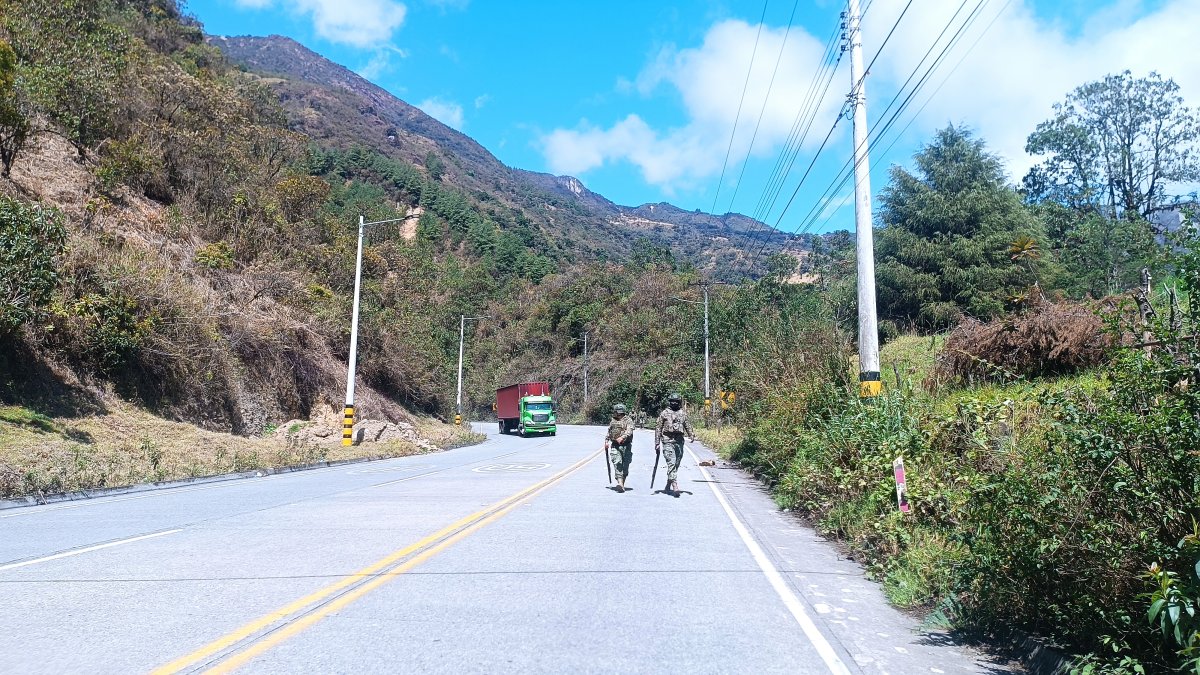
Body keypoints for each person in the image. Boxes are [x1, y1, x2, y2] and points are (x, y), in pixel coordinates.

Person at [655, 392, 694, 495]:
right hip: (667, 440)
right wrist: (657, 442)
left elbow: (687, 425)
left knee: (677, 463)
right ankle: (675, 485)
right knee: (671, 462)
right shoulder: (664, 413)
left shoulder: (682, 413)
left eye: (676, 401)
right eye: (672, 401)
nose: (674, 403)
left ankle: (668, 483)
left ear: (679, 402)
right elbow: (658, 427)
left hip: (679, 440)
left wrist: (691, 435)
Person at [605, 403, 635, 492]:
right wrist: (606, 441)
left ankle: (622, 482)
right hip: (615, 445)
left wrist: (622, 437)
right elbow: (609, 431)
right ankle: (620, 483)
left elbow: (629, 430)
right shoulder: (613, 420)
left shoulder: (628, 420)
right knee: (617, 463)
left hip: (626, 446)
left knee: (625, 466)